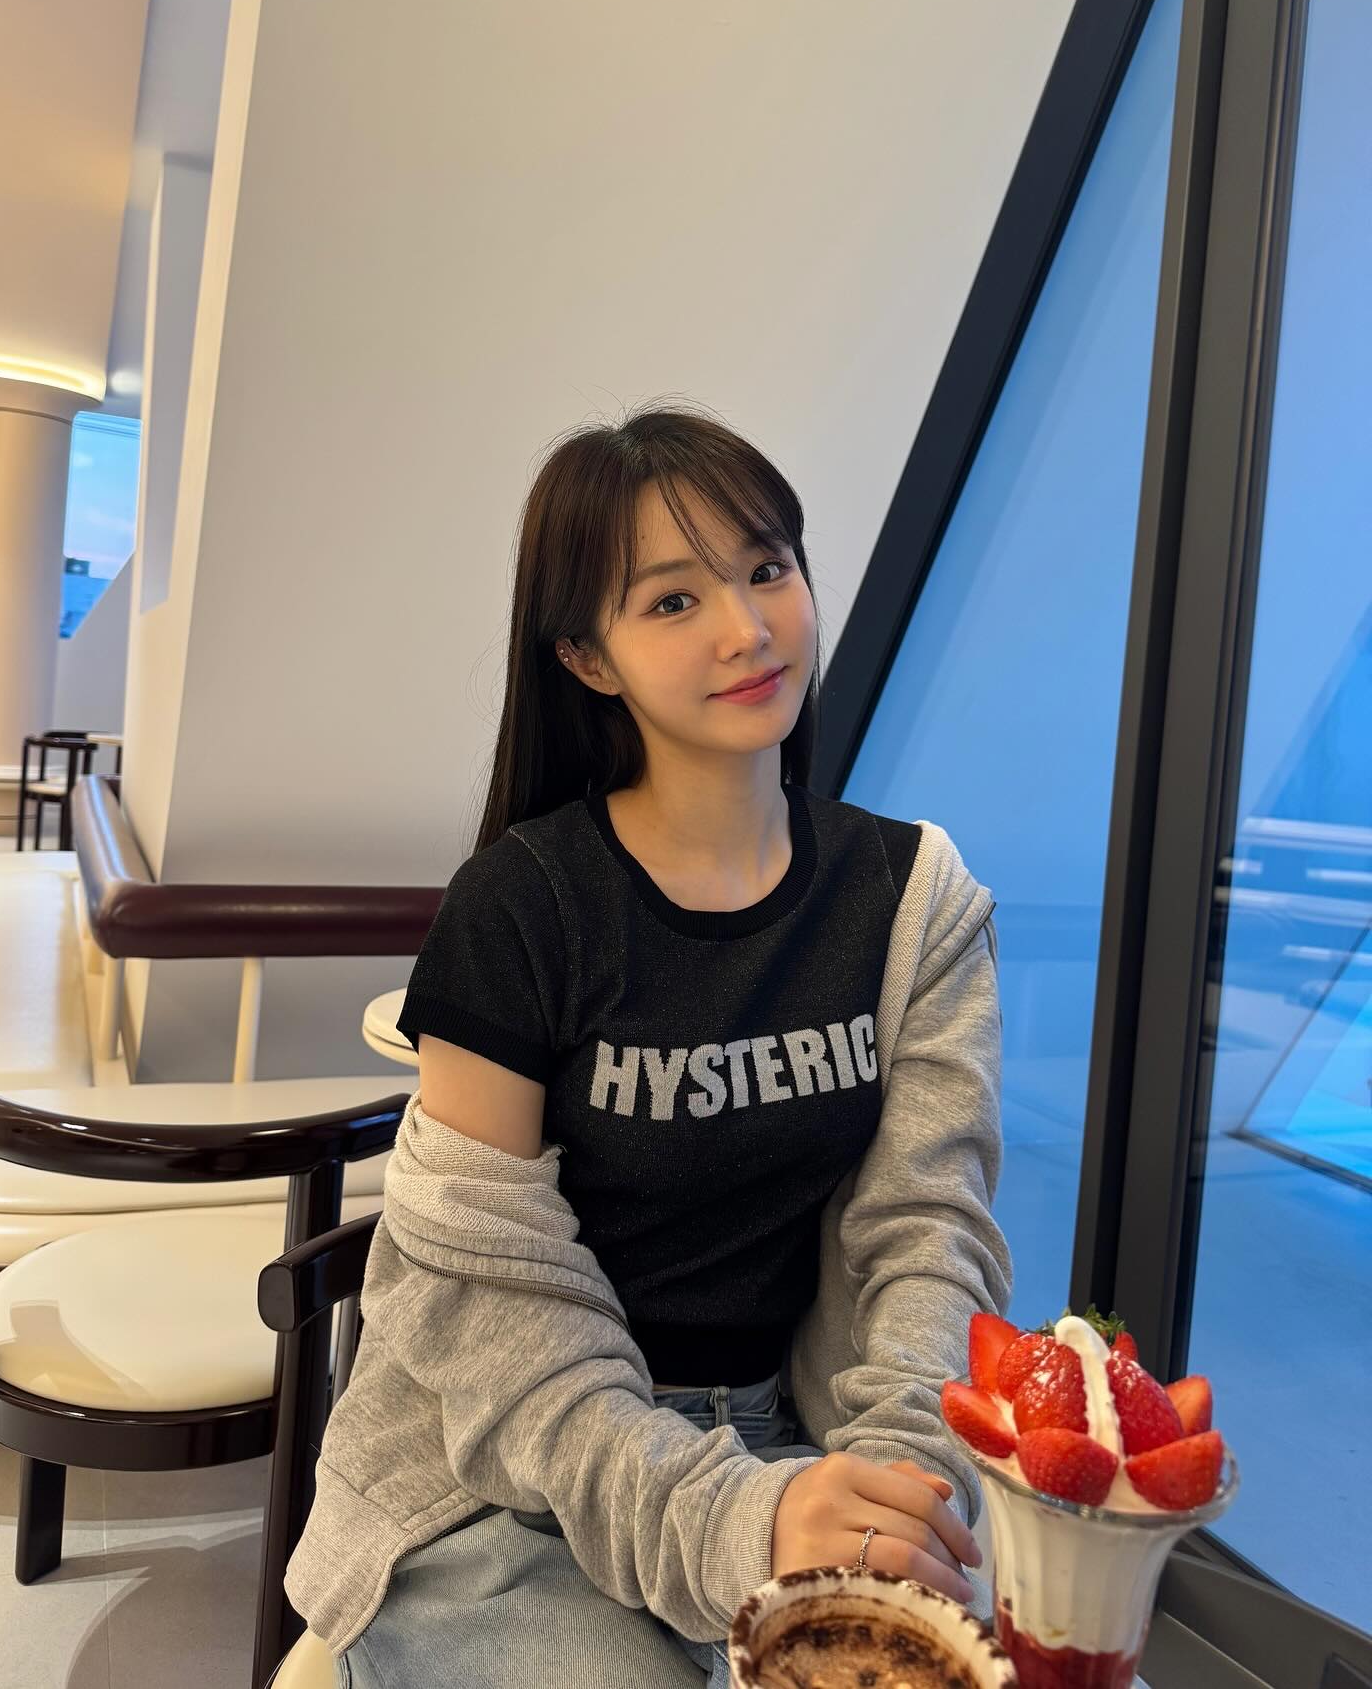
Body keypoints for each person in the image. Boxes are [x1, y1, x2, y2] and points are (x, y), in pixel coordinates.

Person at [286, 402, 1012, 1687]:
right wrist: (739, 1520)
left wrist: (896, 1486)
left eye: (767, 568)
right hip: (501, 1478)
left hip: (794, 1441)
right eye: (673, 601)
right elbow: (492, 1309)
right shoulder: (522, 906)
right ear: (587, 656)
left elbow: (927, 1235)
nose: (746, 628)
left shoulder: (912, 901)